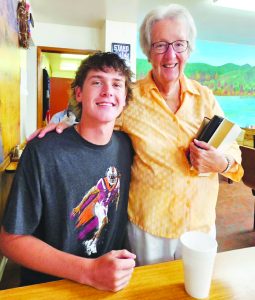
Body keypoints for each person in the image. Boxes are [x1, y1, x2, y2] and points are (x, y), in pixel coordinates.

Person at [29, 4, 243, 266]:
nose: (170, 55)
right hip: (149, 231)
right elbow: (97, 122)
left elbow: (233, 149)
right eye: (160, 45)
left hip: (200, 227)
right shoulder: (130, 97)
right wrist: (66, 125)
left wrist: (221, 163)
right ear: (148, 50)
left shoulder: (205, 98)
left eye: (179, 44)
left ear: (189, 49)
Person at [0, 52, 136, 291]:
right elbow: (10, 240)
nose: (107, 91)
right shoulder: (43, 151)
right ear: (79, 93)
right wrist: (89, 271)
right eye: (97, 81)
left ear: (125, 98)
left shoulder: (128, 146)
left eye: (117, 84)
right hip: (50, 288)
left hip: (108, 287)